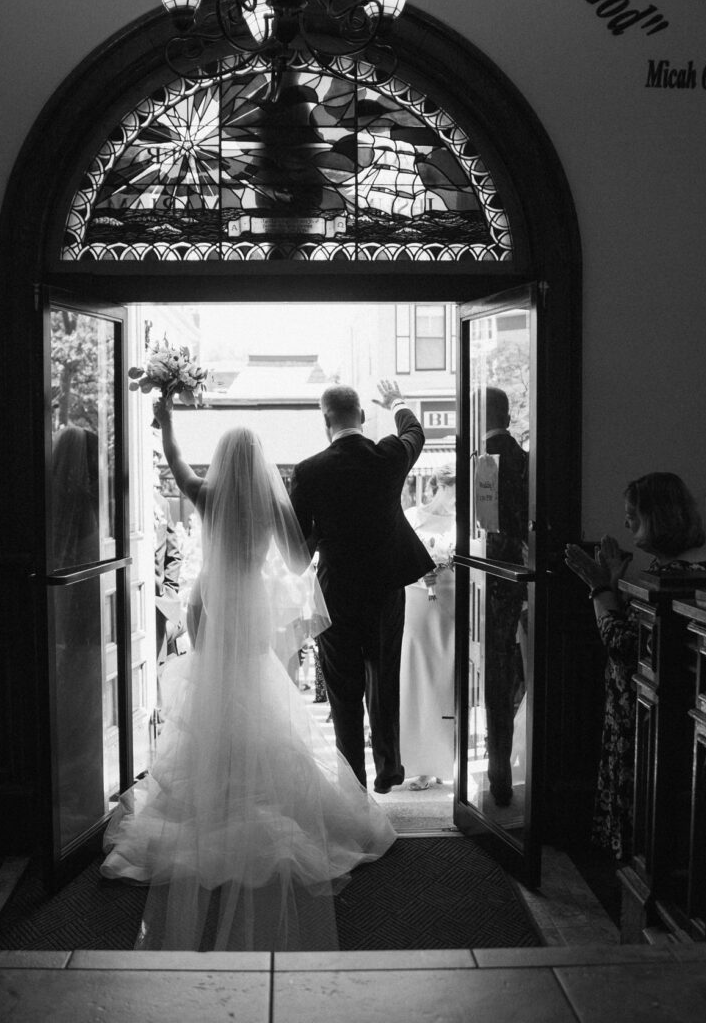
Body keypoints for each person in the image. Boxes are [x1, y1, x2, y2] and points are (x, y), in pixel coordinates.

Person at [101, 394, 395, 951]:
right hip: (252, 610)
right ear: (258, 464)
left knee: (216, 699)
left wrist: (165, 423)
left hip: (210, 607)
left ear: (223, 460)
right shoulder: (269, 507)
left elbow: (177, 463)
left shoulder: (207, 496)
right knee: (256, 697)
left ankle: (219, 795)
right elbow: (298, 561)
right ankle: (256, 798)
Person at [563, 471, 706, 860]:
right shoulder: (685, 567)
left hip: (647, 711)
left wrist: (598, 588)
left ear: (658, 516)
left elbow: (622, 642)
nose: (627, 521)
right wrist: (614, 585)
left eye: (633, 513)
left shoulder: (675, 577)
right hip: (638, 703)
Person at [290, 381, 435, 794]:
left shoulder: (308, 471)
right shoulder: (387, 455)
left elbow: (298, 555)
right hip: (386, 586)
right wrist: (397, 402)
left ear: (325, 421)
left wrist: (319, 535)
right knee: (383, 674)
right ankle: (388, 766)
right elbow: (415, 433)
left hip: (334, 592)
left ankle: (352, 783)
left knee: (342, 689)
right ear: (363, 416)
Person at [479, 387, 529, 807]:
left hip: (496, 581)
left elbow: (485, 528)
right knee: (522, 671)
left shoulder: (484, 461)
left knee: (496, 676)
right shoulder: (528, 459)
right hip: (528, 575)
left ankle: (499, 776)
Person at [399, 464, 457, 790]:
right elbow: (398, 556)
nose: (455, 501)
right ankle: (420, 763)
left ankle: (443, 761)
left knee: (445, 679)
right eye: (452, 493)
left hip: (449, 601)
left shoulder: (461, 521)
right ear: (438, 487)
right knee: (418, 677)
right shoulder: (412, 516)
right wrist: (419, 571)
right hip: (418, 603)